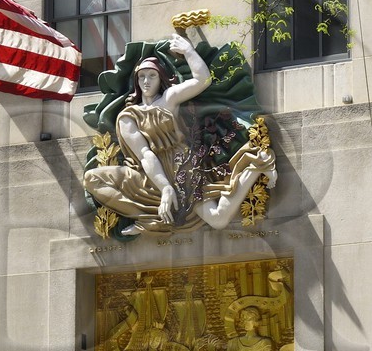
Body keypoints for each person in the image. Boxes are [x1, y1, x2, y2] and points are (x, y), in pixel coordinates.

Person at [83, 37, 276, 236]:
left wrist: (188, 51)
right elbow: (145, 154)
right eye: (142, 77)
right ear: (136, 81)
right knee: (92, 179)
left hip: (182, 167)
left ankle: (257, 164)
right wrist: (165, 187)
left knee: (218, 219)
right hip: (150, 174)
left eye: (152, 76)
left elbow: (202, 80)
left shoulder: (169, 99)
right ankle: (150, 219)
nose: (146, 81)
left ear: (161, 79)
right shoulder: (127, 117)